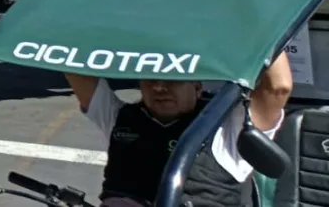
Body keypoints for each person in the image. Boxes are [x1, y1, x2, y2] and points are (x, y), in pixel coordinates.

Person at [66, 51, 293, 207]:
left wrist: (261, 16)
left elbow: (278, 87)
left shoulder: (226, 131)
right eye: (149, 80)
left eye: (172, 80)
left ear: (197, 87)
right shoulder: (119, 117)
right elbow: (71, 63)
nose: (159, 87)